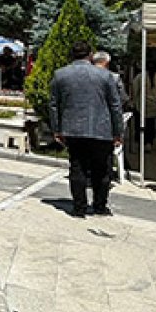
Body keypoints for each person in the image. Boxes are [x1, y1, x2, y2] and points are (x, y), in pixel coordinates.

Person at [50, 41, 123, 217]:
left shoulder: (60, 75)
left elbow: (54, 105)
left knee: (77, 167)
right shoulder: (105, 76)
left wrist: (56, 129)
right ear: (90, 55)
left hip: (73, 129)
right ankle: (99, 205)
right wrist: (118, 131)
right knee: (102, 170)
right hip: (102, 129)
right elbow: (115, 105)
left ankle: (79, 207)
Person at [131, 66, 156, 151]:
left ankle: (142, 142)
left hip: (142, 104)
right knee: (151, 125)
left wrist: (133, 101)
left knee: (140, 124)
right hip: (153, 106)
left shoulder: (140, 77)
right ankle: (149, 143)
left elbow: (135, 90)